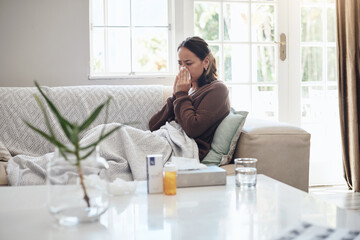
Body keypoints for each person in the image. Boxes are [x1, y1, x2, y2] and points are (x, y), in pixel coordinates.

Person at [149, 36, 230, 160]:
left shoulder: (217, 89)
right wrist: (175, 95)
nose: (183, 69)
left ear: (206, 62)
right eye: (180, 64)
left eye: (188, 63)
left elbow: (192, 129)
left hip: (184, 149)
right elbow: (153, 125)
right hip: (165, 140)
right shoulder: (189, 91)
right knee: (115, 132)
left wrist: (181, 95)